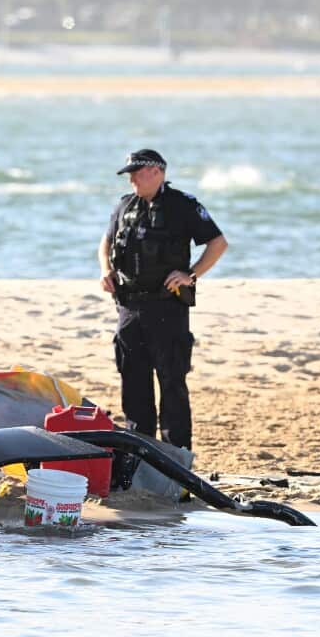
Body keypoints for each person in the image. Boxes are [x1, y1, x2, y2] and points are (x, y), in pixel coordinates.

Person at [98, 149, 228, 450]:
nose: (132, 179)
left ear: (158, 172)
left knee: (172, 384)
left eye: (138, 173)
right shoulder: (124, 205)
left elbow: (218, 243)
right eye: (130, 173)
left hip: (167, 307)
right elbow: (105, 242)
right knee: (133, 384)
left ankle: (176, 457)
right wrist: (106, 270)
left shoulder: (183, 206)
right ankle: (139, 452)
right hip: (129, 307)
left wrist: (191, 275)